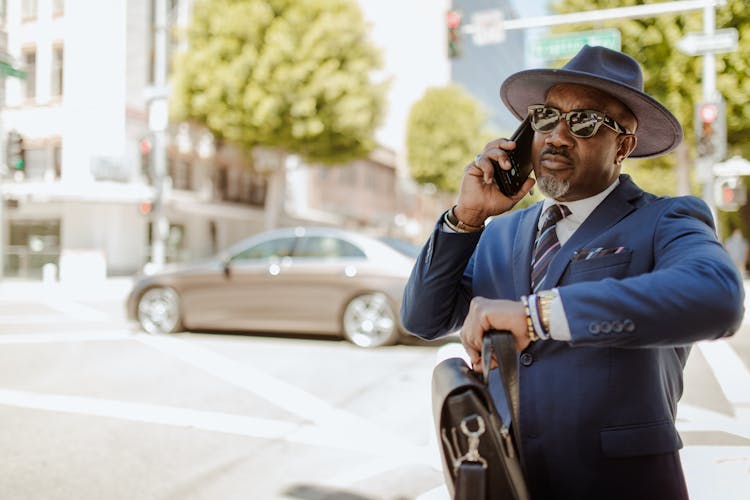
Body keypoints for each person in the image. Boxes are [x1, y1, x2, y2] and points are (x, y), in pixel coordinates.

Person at [401, 45, 744, 500]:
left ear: (623, 145)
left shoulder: (666, 219)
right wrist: (466, 217)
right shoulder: (499, 232)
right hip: (508, 482)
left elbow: (716, 297)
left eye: (584, 121)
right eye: (545, 117)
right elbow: (422, 318)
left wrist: (537, 316)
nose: (557, 136)